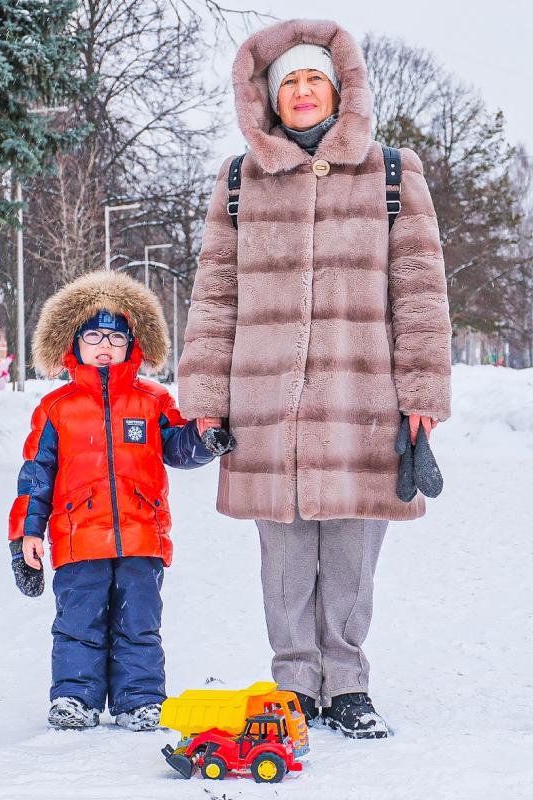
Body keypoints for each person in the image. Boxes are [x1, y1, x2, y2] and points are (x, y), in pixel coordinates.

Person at [177, 20, 452, 739]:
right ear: (267, 98)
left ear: (339, 90)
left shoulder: (393, 172)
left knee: (353, 549)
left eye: (313, 80)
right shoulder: (239, 179)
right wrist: (204, 396)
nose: (301, 92)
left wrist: (422, 394)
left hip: (361, 395)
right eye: (288, 82)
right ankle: (295, 679)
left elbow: (420, 291)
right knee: (285, 556)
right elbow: (214, 296)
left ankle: (349, 681)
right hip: (265, 400)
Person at [7, 271, 231, 731]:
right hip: (77, 539)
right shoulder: (57, 408)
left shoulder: (153, 400)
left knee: (139, 623)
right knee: (78, 623)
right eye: (93, 335)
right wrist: (26, 533)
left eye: (115, 336)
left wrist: (204, 440)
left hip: (141, 535)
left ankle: (140, 697)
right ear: (74, 342)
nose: (104, 345)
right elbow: (36, 474)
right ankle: (75, 696)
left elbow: (176, 447)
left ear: (133, 343)